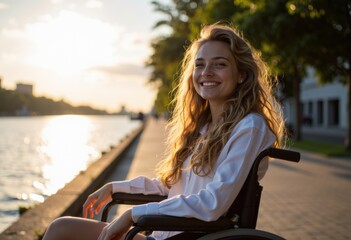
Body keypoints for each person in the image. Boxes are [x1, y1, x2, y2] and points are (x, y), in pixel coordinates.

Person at [42, 23, 285, 240]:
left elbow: (213, 203)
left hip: (190, 235)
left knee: (63, 231)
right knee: (61, 228)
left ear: (241, 74)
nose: (207, 72)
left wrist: (133, 215)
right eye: (200, 65)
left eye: (219, 65)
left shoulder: (250, 126)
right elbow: (171, 187)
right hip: (164, 233)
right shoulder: (204, 128)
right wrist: (115, 187)